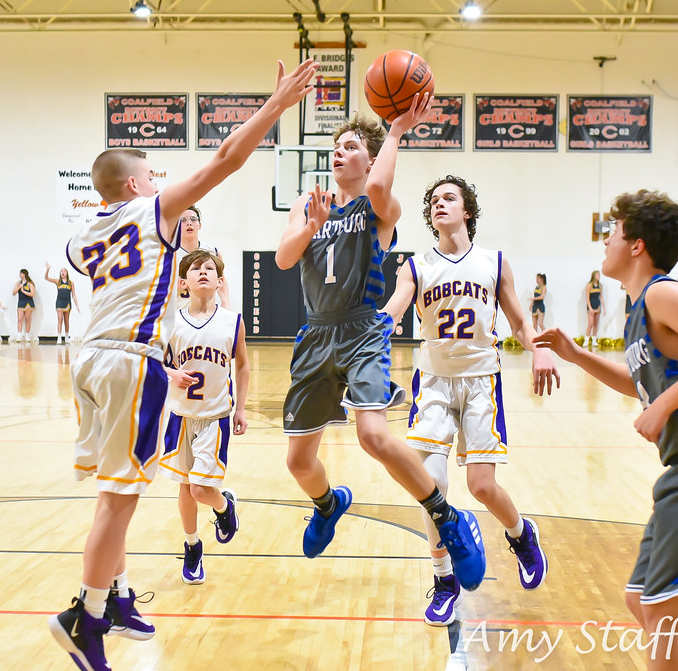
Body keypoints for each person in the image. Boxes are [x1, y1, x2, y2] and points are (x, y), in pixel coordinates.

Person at [47, 58, 317, 671]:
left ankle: (115, 597)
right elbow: (226, 158)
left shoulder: (80, 237)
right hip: (126, 364)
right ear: (138, 187)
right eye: (151, 173)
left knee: (110, 489)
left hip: (88, 358)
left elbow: (115, 287)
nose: (159, 179)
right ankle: (84, 618)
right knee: (121, 500)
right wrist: (275, 104)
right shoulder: (153, 211)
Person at [535, 190, 678, 671]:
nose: (605, 241)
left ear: (636, 245)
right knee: (643, 600)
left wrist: (662, 405)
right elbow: (638, 382)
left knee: (660, 607)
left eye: (612, 232)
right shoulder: (641, 306)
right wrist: (577, 356)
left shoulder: (663, 292)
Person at [274, 96, 487, 592]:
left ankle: (449, 519)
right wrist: (309, 225)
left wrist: (394, 132)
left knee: (372, 435)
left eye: (350, 146)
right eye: (336, 146)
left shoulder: (378, 206)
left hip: (361, 329)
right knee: (298, 462)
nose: (338, 152)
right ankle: (329, 504)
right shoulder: (309, 203)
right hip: (315, 333)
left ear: (370, 159)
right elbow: (285, 260)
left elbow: (377, 184)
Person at [381, 176, 560, 627]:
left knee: (481, 486)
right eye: (434, 200)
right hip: (435, 381)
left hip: (482, 380)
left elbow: (520, 321)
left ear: (467, 211)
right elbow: (395, 309)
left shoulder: (494, 262)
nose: (439, 205)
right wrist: (372, 329)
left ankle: (521, 535)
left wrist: (537, 347)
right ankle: (444, 580)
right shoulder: (416, 266)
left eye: (449, 198)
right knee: (432, 486)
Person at [159, 249, 248, 585]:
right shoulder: (172, 323)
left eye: (209, 268)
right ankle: (192, 546)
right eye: (195, 269)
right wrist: (171, 374)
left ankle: (224, 507)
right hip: (180, 416)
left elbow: (242, 364)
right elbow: (154, 361)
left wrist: (240, 407)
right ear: (184, 282)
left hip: (214, 416)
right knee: (185, 488)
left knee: (199, 489)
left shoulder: (231, 320)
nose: (202, 272)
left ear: (219, 279)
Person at [175, 205, 231, 309]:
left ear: (199, 225)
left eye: (193, 219)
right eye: (183, 220)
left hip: (206, 315)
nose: (189, 223)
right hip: (178, 313)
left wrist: (225, 302)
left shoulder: (213, 252)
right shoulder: (170, 254)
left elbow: (221, 280)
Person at [45, 263, 80, 344]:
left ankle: (67, 336)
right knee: (60, 320)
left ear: (67, 273)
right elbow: (46, 278)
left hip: (67, 303)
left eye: (64, 271)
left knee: (66, 321)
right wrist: (47, 270)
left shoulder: (71, 283)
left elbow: (74, 295)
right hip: (59, 303)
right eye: (61, 271)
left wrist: (77, 305)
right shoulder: (58, 281)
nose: (62, 272)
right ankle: (59, 337)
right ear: (60, 273)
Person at [13, 268, 37, 342]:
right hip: (21, 303)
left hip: (28, 303)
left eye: (21, 273)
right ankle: (19, 335)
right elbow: (13, 293)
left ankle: (27, 335)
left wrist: (23, 291)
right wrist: (19, 288)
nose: (20, 275)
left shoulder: (30, 283)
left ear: (24, 274)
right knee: (20, 319)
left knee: (28, 319)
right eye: (20, 273)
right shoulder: (18, 283)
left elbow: (33, 294)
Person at [585, 270, 605, 346]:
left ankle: (594, 340)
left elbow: (601, 297)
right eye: (598, 275)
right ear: (594, 276)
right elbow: (587, 298)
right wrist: (590, 308)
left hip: (598, 306)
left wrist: (604, 307)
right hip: (591, 305)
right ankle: (586, 340)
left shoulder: (600, 286)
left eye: (599, 275)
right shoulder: (589, 285)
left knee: (596, 324)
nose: (599, 277)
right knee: (590, 323)